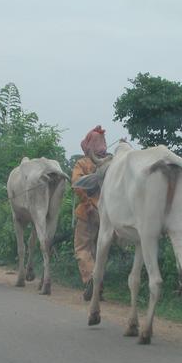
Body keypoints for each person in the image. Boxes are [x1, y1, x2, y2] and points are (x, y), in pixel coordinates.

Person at [72, 125, 107, 301]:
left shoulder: (82, 163)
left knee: (82, 248)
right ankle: (97, 285)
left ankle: (92, 279)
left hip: (87, 213)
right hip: (106, 215)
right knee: (98, 250)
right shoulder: (110, 163)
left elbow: (77, 185)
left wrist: (87, 205)